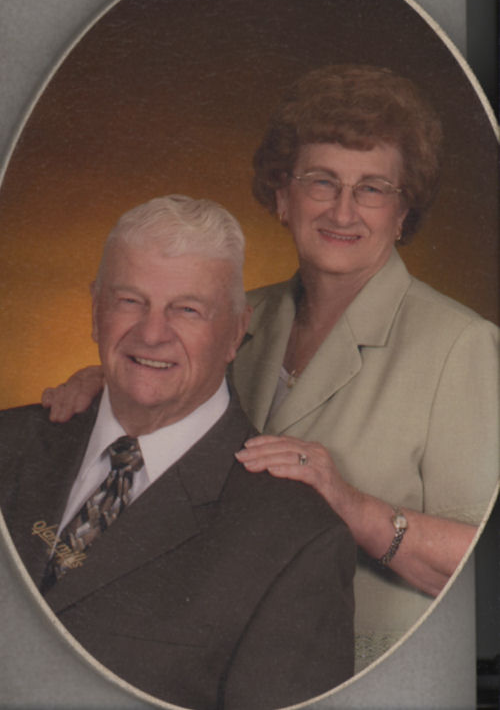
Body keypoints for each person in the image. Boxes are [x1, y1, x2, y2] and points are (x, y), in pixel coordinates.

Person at [42, 66, 499, 670]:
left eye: (372, 188)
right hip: (208, 663)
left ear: (402, 212)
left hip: (365, 670)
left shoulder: (462, 346)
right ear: (283, 197)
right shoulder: (237, 319)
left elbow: (484, 576)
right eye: (321, 181)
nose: (342, 210)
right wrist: (114, 384)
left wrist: (350, 505)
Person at [0, 195, 356, 709]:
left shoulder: (297, 542)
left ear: (236, 330)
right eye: (130, 301)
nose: (152, 334)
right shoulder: (9, 443)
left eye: (187, 310)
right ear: (95, 309)